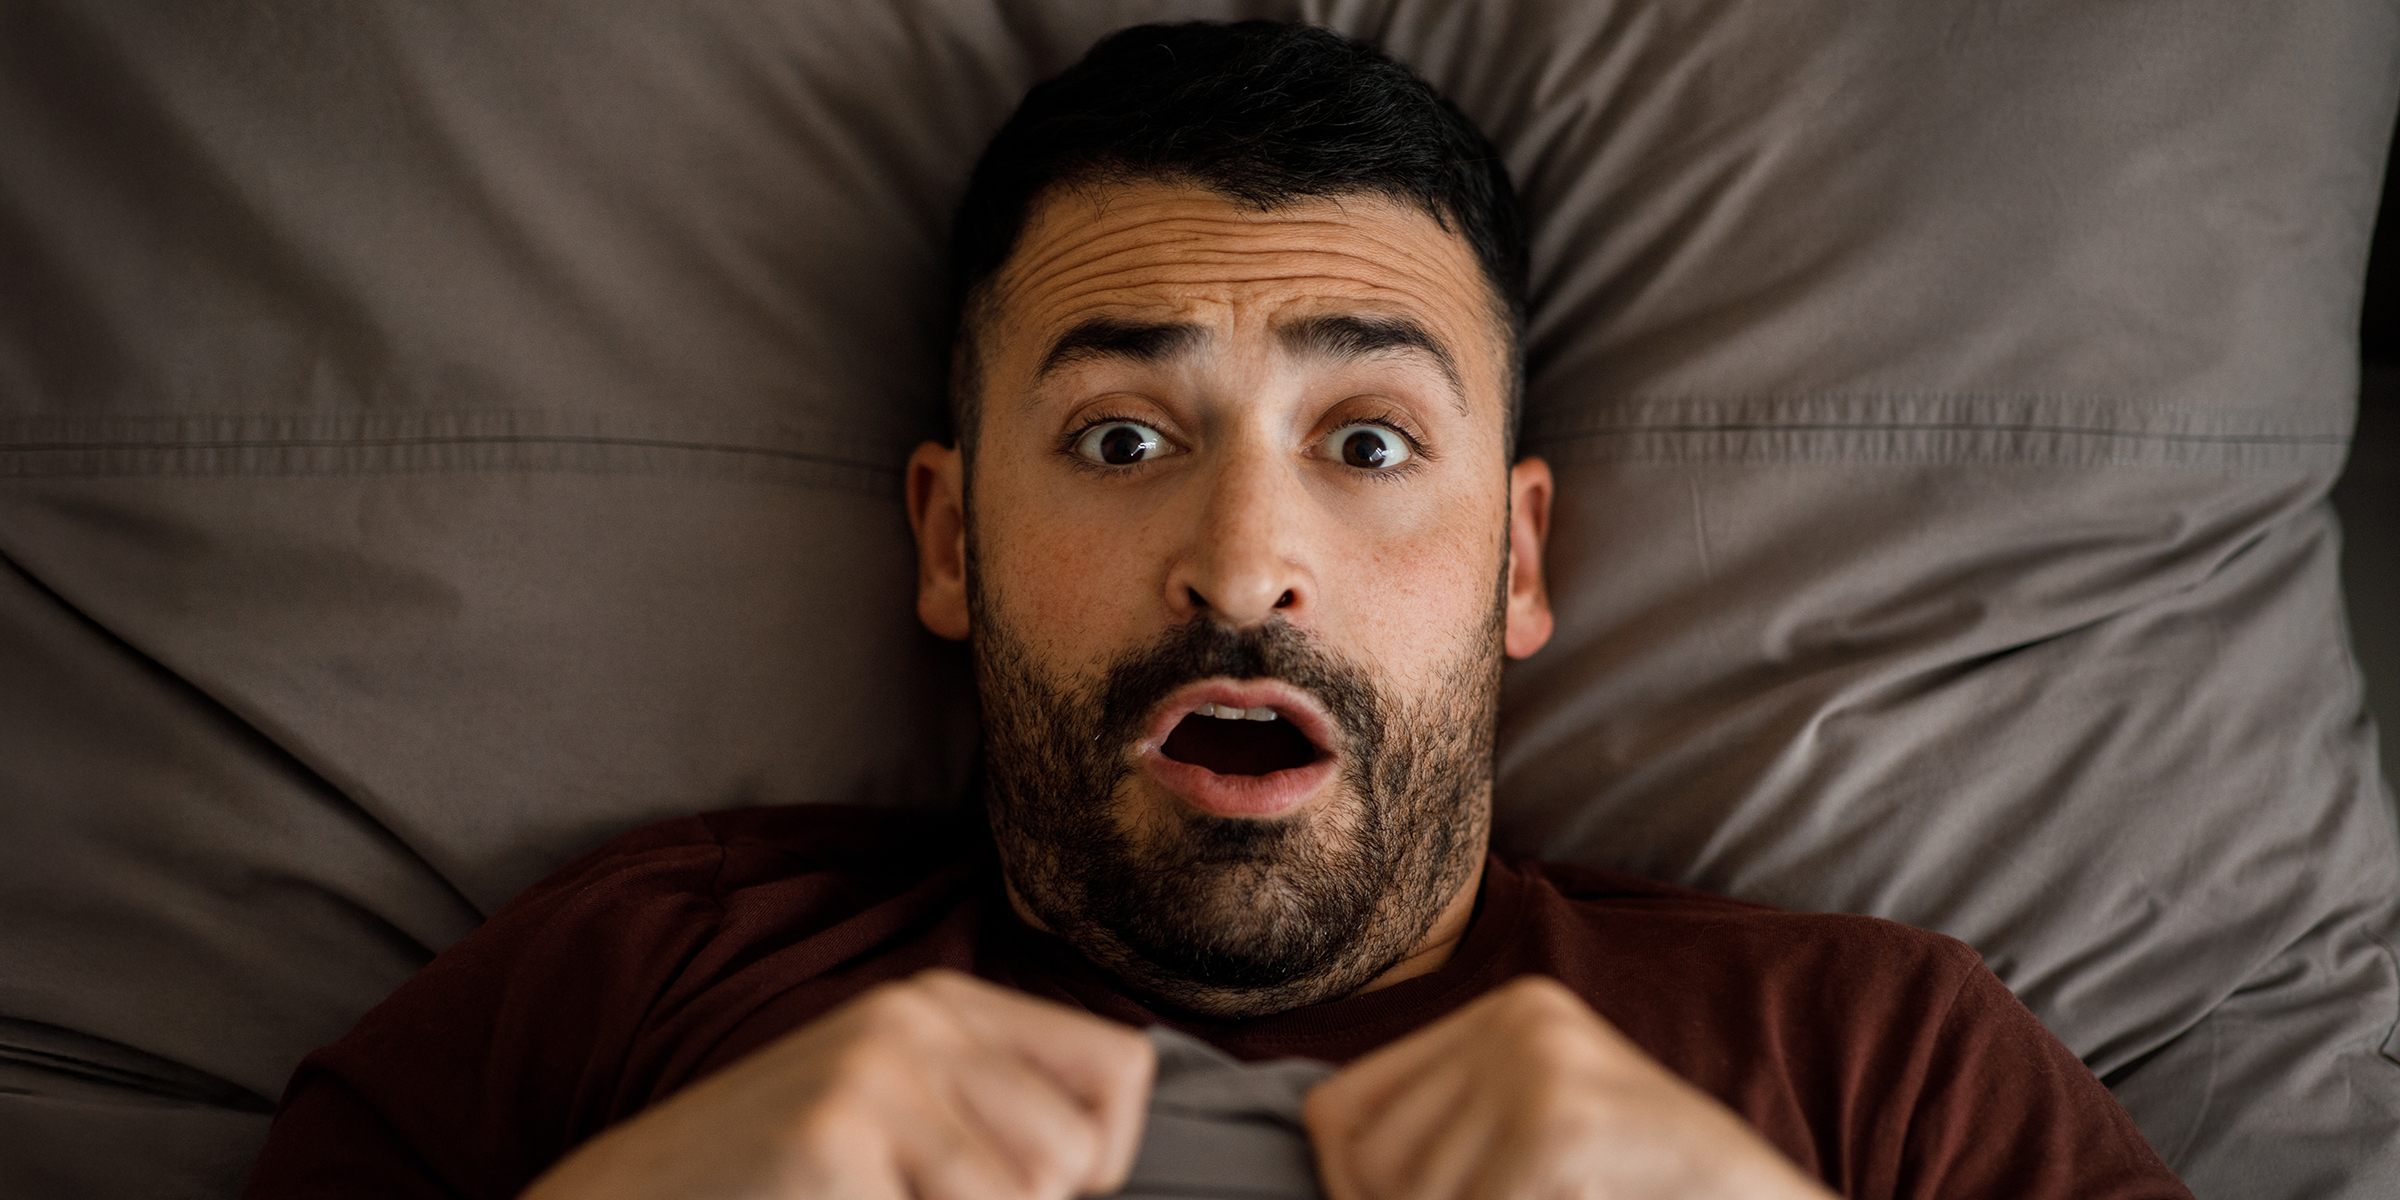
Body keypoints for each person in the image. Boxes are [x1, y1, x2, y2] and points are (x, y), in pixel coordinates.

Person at [240, 21, 2190, 1200]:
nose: (1245, 563)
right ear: (947, 540)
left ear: (1520, 563)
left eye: (1364, 443)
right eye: (1115, 439)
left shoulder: (1881, 1069)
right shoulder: (636, 986)